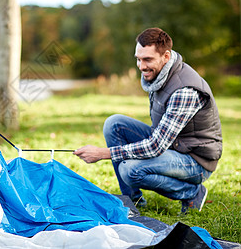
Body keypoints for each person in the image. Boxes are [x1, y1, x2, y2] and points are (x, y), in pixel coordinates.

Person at [74, 27, 222, 213]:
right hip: (174, 144)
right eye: (138, 58)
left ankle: (192, 192)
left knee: (130, 170)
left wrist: (103, 153)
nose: (141, 66)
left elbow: (156, 146)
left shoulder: (184, 89)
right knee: (114, 124)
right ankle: (132, 201)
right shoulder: (160, 75)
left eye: (147, 59)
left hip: (195, 159)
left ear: (166, 57)